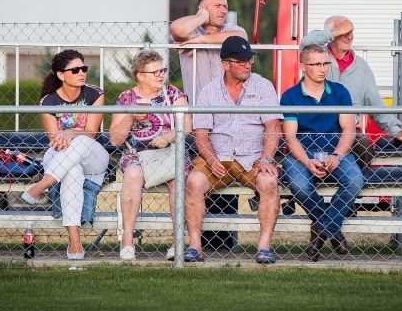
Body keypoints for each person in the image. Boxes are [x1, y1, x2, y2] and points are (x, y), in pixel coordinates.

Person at [184, 36, 281, 264]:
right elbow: (201, 133)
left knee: (269, 183)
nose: (247, 65)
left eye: (249, 60)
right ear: (226, 65)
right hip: (218, 159)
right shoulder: (209, 91)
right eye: (240, 61)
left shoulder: (263, 86)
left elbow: (273, 126)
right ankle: (195, 246)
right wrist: (211, 158)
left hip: (254, 159)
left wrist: (267, 158)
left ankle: (264, 247)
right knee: (194, 181)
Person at [20, 50, 110, 260]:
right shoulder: (48, 102)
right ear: (61, 75)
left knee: (79, 141)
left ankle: (41, 186)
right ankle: (75, 243)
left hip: (93, 156)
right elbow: (55, 139)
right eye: (75, 69)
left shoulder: (95, 94)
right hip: (62, 155)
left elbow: (91, 133)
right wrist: (66, 136)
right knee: (73, 171)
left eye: (84, 68)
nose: (82, 73)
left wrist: (70, 132)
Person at [280, 43, 364, 262]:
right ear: (303, 67)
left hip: (334, 150)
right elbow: (290, 137)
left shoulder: (339, 92)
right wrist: (307, 162)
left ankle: (321, 229)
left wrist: (337, 155)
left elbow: (348, 129)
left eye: (326, 63)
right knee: (299, 185)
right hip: (302, 153)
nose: (323, 68)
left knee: (355, 180)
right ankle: (333, 231)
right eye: (316, 64)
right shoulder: (290, 97)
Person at [109, 49, 192, 261]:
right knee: (133, 173)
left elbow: (188, 127)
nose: (161, 75)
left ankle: (177, 241)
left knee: (177, 178)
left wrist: (169, 136)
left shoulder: (173, 94)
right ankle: (127, 239)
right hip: (136, 153)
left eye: (162, 70)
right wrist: (130, 116)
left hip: (169, 151)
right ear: (140, 76)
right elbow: (115, 139)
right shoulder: (126, 98)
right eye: (155, 72)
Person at [301, 15, 402, 165]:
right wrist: (333, 32)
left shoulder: (361, 67)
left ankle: (348, 181)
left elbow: (375, 103)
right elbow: (306, 43)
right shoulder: (316, 57)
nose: (349, 36)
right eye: (344, 32)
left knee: (365, 149)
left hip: (348, 131)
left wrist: (395, 129)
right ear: (331, 34)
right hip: (315, 129)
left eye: (351, 32)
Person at [170, 0, 247, 102]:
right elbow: (179, 29)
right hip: (198, 109)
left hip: (229, 110)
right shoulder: (192, 31)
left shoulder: (229, 29)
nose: (223, 10)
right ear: (202, 8)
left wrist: (201, 40)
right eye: (217, 6)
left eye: (225, 7)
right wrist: (202, 16)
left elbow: (241, 37)